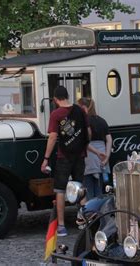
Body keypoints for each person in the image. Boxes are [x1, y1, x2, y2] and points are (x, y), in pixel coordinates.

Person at [40, 85, 91, 237]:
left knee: (60, 190)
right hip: (80, 155)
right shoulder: (80, 110)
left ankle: (61, 226)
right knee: (80, 187)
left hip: (64, 156)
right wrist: (83, 147)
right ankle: (85, 222)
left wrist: (46, 158)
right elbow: (88, 132)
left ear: (55, 99)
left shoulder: (56, 114)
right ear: (68, 95)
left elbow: (53, 136)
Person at [78, 97, 112, 200]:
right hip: (102, 158)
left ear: (83, 107)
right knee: (99, 190)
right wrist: (106, 157)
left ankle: (90, 214)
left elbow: (84, 142)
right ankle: (100, 214)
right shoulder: (102, 121)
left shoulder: (83, 121)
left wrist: (96, 152)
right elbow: (109, 140)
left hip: (89, 157)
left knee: (88, 190)